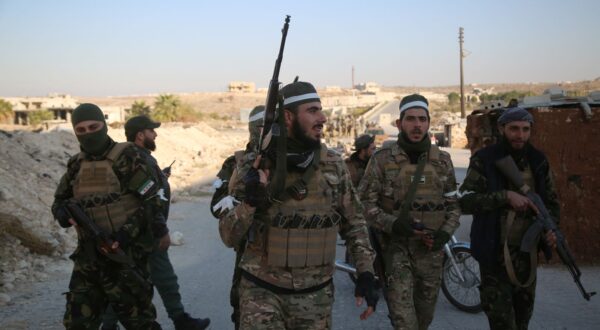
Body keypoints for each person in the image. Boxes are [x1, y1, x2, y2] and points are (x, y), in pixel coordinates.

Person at [219, 81, 379, 329]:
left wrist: (366, 273)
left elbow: (354, 223)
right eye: (312, 110)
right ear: (287, 116)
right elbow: (229, 236)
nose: (323, 118)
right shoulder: (254, 166)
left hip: (316, 297)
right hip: (262, 294)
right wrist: (250, 201)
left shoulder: (333, 165)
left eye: (321, 110)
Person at [51, 103, 162, 329]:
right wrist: (62, 213)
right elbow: (59, 200)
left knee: (140, 322)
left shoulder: (128, 157)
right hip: (89, 258)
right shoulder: (76, 164)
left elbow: (152, 202)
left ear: (105, 125)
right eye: (80, 130)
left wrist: (124, 235)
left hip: (124, 254)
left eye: (93, 127)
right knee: (77, 322)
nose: (88, 134)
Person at [357, 94, 460, 329]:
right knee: (404, 322)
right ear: (399, 123)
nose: (417, 125)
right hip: (396, 252)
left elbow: (453, 205)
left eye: (422, 119)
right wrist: (392, 224)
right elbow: (363, 205)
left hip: (431, 254)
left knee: (424, 320)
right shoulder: (382, 160)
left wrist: (444, 234)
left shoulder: (442, 161)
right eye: (411, 119)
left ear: (428, 122)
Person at [100, 115, 210, 330]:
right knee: (153, 279)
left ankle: (110, 324)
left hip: (141, 230)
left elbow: (144, 190)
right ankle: (179, 319)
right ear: (140, 135)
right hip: (145, 231)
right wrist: (161, 231)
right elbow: (148, 200)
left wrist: (161, 179)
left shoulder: (138, 157)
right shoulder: (138, 159)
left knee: (132, 281)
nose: (156, 134)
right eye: (152, 131)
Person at [459, 106, 559, 330]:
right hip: (494, 255)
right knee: (502, 323)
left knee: (522, 321)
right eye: (514, 129)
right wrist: (504, 196)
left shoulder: (538, 161)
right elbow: (465, 201)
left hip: (526, 256)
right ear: (502, 128)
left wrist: (551, 230)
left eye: (525, 129)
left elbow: (551, 203)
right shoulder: (484, 159)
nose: (520, 135)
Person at [210, 105, 264, 330]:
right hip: (248, 251)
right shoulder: (235, 164)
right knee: (244, 312)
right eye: (264, 127)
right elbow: (216, 207)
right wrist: (239, 202)